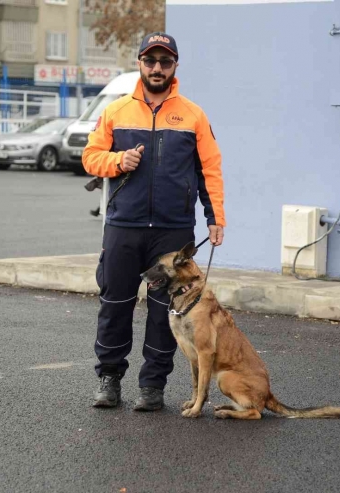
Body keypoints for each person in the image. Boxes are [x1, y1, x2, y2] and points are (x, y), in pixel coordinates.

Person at [82, 32, 225, 411]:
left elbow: (209, 170)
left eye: (165, 61)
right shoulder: (115, 111)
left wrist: (215, 217)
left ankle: (153, 386)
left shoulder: (193, 114)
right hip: (123, 226)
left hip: (172, 231)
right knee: (115, 303)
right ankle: (109, 379)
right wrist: (117, 161)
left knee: (166, 312)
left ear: (175, 65)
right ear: (140, 63)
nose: (157, 68)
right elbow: (90, 157)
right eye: (150, 60)